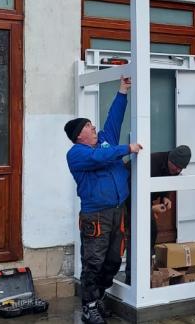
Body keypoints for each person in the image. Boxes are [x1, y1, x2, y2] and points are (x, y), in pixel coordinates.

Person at [65, 76, 143, 324]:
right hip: (96, 216)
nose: (94, 127)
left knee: (113, 261)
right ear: (79, 135)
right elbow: (100, 158)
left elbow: (114, 118)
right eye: (89, 126)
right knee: (94, 262)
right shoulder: (76, 154)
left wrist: (122, 91)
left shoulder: (105, 140)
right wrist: (126, 149)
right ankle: (89, 307)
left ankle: (97, 298)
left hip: (117, 211)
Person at [123, 145, 192, 284]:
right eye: (176, 167)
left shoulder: (173, 167)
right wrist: (151, 208)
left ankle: (145, 273)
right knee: (136, 236)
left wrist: (165, 196)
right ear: (170, 159)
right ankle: (131, 278)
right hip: (126, 198)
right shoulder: (150, 164)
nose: (177, 171)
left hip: (143, 200)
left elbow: (167, 181)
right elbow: (132, 191)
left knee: (151, 232)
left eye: (181, 169)